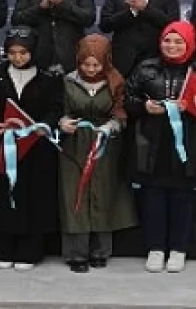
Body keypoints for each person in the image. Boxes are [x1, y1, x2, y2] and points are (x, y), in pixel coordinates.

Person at [125, 20, 196, 274]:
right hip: (151, 143)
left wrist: (193, 107)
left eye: (179, 41)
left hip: (188, 144)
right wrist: (144, 107)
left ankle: (178, 249)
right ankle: (155, 248)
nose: (172, 46)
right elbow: (127, 99)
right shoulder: (146, 67)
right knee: (153, 196)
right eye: (167, 40)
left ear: (189, 43)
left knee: (182, 198)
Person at [0, 27, 63, 271]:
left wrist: (44, 125)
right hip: (4, 146)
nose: (18, 58)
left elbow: (57, 107)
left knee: (34, 197)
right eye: (12, 53)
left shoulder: (49, 76)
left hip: (36, 148)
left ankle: (30, 249)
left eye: (23, 53)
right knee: (4, 195)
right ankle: (3, 248)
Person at [57, 35, 136, 273]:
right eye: (86, 65)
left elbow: (121, 113)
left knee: (103, 193)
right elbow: (58, 109)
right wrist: (62, 122)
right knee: (75, 195)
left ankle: (101, 251)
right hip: (73, 145)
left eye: (96, 65)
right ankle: (76, 253)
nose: (91, 70)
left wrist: (111, 126)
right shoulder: (66, 81)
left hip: (104, 145)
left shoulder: (115, 81)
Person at [99, 0, 181, 77]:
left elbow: (173, 26)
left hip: (156, 60)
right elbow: (105, 25)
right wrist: (131, 12)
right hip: (123, 62)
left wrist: (146, 9)